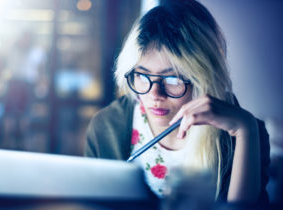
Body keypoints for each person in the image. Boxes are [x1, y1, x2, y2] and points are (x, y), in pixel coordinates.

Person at [84, 0, 270, 204]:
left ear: (204, 77)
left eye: (173, 79)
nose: (155, 95)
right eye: (142, 76)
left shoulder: (246, 132)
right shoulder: (107, 125)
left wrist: (246, 131)